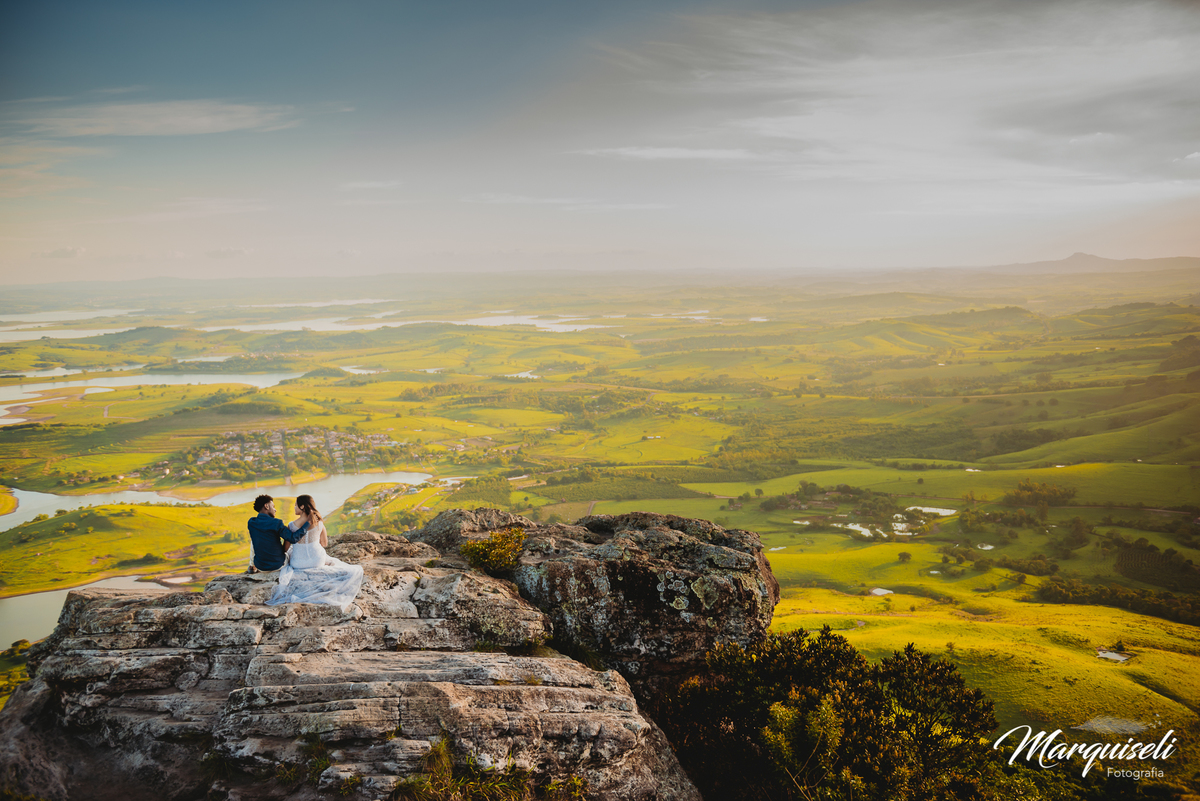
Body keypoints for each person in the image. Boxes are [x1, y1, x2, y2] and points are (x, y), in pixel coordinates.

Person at [265, 494, 364, 611]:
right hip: (317, 561)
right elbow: (324, 543)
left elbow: (285, 549)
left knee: (292, 551)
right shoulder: (319, 522)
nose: (294, 508)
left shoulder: (291, 525)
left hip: (298, 564)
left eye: (296, 505)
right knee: (323, 553)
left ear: (302, 507)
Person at [247, 494, 308, 573]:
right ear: (266, 506)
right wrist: (307, 524)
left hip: (260, 567)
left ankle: (252, 565)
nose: (275, 510)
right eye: (273, 506)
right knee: (290, 551)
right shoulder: (276, 523)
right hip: (277, 566)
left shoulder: (251, 522)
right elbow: (292, 538)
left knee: (254, 539)